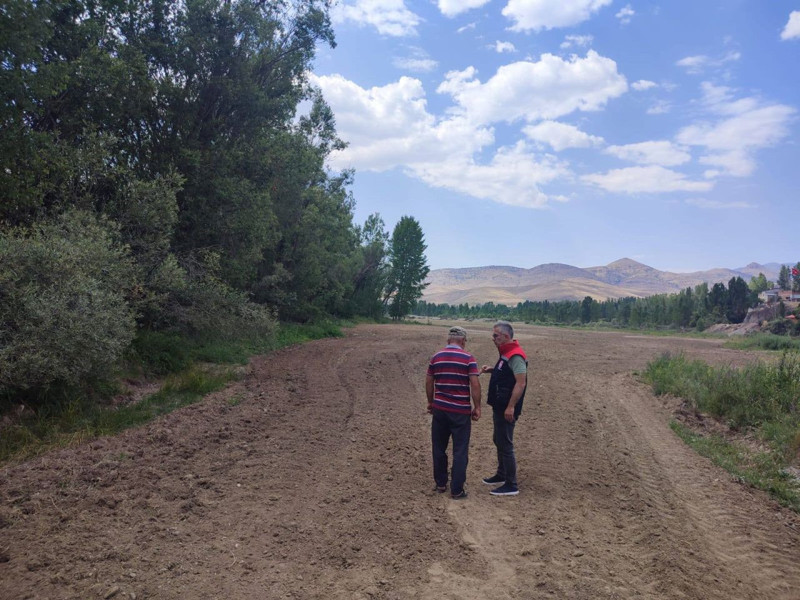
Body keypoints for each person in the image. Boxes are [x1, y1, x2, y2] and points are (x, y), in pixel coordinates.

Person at [426, 326, 482, 499]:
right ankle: (457, 490)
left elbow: (429, 382)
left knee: (439, 447)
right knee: (460, 450)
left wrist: (431, 401)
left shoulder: (436, 357)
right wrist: (477, 406)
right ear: (463, 341)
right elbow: (474, 384)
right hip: (460, 412)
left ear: (448, 340)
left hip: (440, 410)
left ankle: (441, 483)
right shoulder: (468, 358)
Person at [480, 320, 527, 496]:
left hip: (506, 408)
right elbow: (508, 373)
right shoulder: (506, 353)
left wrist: (511, 407)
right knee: (498, 440)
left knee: (505, 444)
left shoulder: (515, 355)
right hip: (500, 405)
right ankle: (501, 475)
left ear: (506, 336)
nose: (493, 339)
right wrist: (493, 370)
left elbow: (520, 383)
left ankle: (511, 484)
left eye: (495, 336)